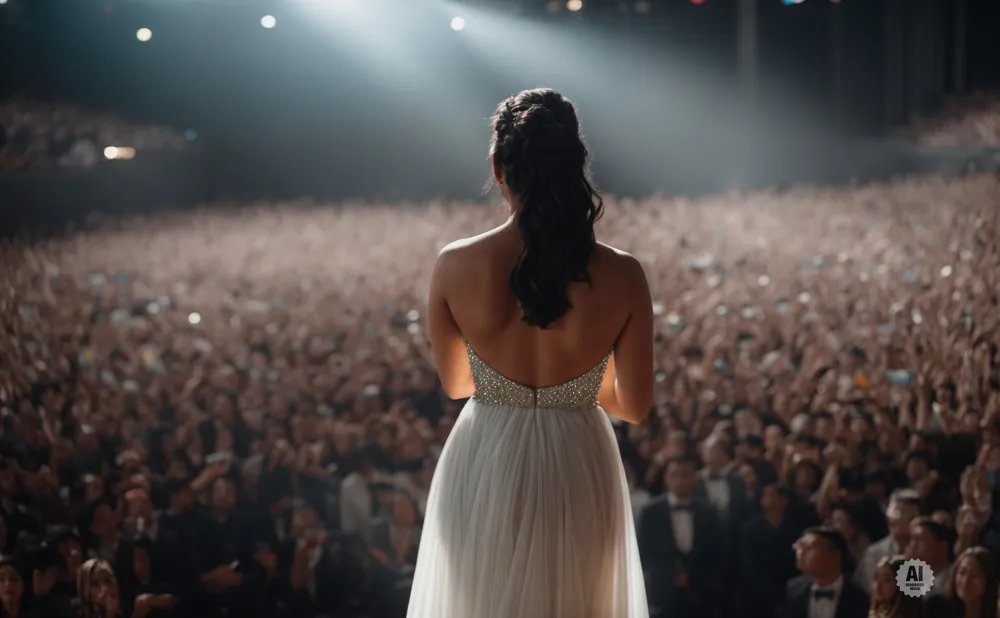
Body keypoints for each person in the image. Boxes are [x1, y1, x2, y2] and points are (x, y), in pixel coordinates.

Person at [407, 88, 652, 618]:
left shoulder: (454, 264)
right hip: (578, 457)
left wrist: (513, 378)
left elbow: (455, 385)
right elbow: (633, 407)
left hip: (486, 453)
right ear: (576, 166)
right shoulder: (624, 274)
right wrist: (577, 380)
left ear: (498, 167)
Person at [638, 454, 723, 618]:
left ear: (695, 479)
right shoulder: (650, 511)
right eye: (674, 475)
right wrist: (671, 576)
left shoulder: (708, 512)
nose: (680, 480)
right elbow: (644, 552)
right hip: (663, 594)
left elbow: (717, 553)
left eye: (685, 475)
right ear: (666, 479)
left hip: (701, 594)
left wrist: (694, 576)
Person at [779, 526, 869, 618]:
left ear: (835, 556)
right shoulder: (793, 589)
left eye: (810, 547)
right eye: (800, 547)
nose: (801, 552)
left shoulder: (858, 598)